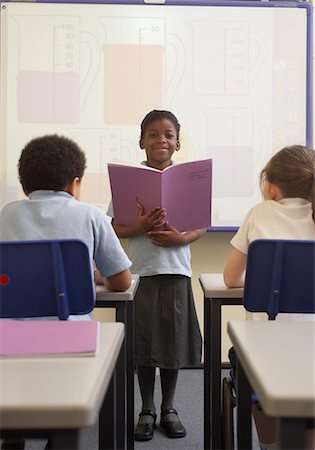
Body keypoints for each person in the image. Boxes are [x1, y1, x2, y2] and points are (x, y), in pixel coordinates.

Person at [0, 134, 132, 450]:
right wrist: (95, 276)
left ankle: (13, 433)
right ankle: (60, 433)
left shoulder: (6, 214)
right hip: (71, 339)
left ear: (24, 187)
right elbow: (122, 282)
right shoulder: (91, 216)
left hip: (9, 338)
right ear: (75, 184)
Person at [107, 109, 205, 441]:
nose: (160, 139)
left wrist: (183, 238)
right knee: (144, 344)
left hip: (177, 272)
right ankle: (146, 408)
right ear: (141, 142)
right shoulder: (128, 182)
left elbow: (199, 225)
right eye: (152, 134)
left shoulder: (190, 178)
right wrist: (138, 227)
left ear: (178, 143)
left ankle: (170, 408)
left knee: (173, 342)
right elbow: (113, 226)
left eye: (167, 134)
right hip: (142, 274)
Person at [223, 144, 315, 450]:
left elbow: (231, 278)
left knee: (244, 358)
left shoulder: (259, 213)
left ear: (270, 186)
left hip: (265, 354)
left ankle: (269, 443)